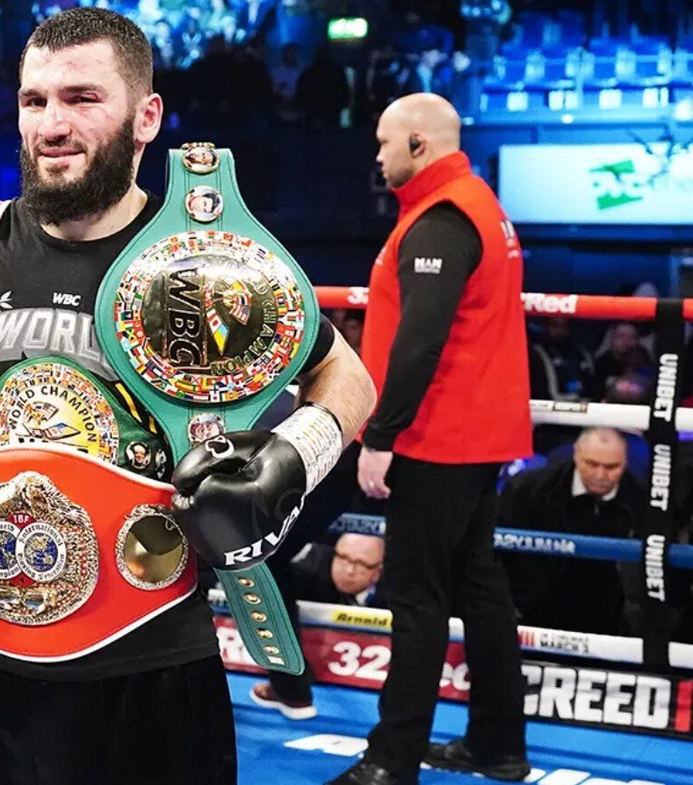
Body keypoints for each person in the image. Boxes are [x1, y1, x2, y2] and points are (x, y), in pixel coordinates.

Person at [0, 9, 376, 784]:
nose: (52, 124)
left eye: (82, 98)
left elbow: (348, 375)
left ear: (146, 116)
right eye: (34, 100)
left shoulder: (205, 260)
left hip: (148, 659)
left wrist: (293, 457)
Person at [332, 93, 532, 784]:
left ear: (419, 144)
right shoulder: (476, 204)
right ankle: (498, 744)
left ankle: (390, 762)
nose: (378, 155)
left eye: (385, 142)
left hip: (437, 435)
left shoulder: (443, 217)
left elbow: (421, 340)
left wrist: (381, 434)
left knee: (417, 598)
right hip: (475, 431)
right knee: (479, 585)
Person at [501, 428, 653, 635]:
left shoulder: (642, 503)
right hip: (533, 615)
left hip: (609, 621)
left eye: (611, 467)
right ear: (576, 456)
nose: (600, 475)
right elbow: (498, 553)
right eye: (591, 464)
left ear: (625, 463)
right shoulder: (527, 489)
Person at [251, 533, 384, 720]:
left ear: (378, 571)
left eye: (362, 564)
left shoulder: (397, 590)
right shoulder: (310, 570)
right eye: (343, 558)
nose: (349, 570)